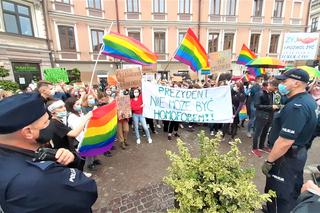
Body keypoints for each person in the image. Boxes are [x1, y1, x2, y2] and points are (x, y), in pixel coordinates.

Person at [0, 93, 97, 212]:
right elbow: (87, 190)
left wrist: (71, 157)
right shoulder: (38, 178)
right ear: (28, 132)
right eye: (46, 122)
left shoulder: (9, 157)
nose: (51, 124)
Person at [261, 69, 318, 213]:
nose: (281, 84)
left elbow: (285, 141)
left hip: (285, 158)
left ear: (296, 83)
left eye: (284, 81)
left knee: (278, 194)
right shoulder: (307, 100)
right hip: (296, 154)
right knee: (292, 189)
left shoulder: (297, 107)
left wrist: (270, 161)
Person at [251, 80, 279, 157]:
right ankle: (254, 148)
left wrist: (277, 107)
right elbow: (257, 105)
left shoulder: (273, 94)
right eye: (275, 88)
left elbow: (273, 103)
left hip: (270, 115)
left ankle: (261, 146)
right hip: (261, 116)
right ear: (269, 85)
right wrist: (271, 107)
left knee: (265, 132)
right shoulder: (260, 93)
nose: (276, 89)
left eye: (276, 88)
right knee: (257, 133)